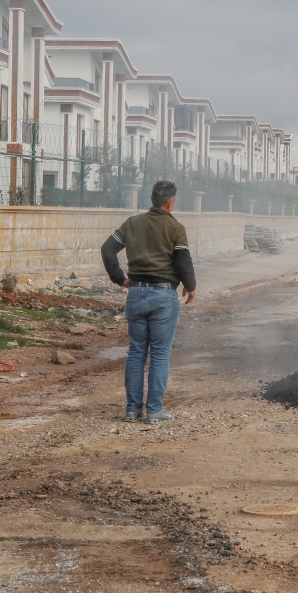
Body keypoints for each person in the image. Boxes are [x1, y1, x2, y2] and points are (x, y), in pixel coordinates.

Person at [100, 180, 197, 423]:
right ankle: (154, 410)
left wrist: (120, 279)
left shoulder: (132, 223)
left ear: (152, 200)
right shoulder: (175, 228)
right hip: (163, 295)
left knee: (136, 353)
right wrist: (191, 287)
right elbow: (183, 261)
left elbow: (107, 249)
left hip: (136, 294)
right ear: (171, 203)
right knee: (160, 354)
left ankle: (132, 410)